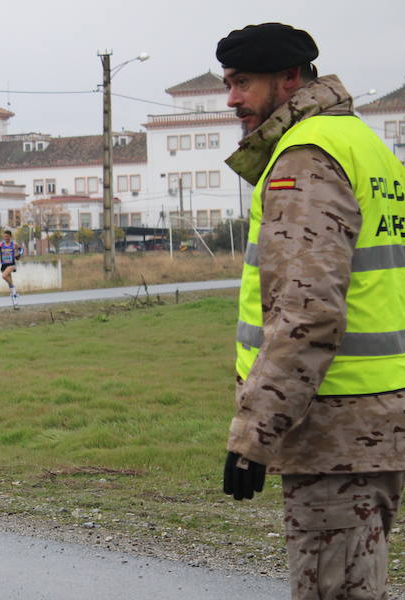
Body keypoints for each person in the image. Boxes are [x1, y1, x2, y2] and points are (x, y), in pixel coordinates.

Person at [217, 23, 405, 599]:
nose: (232, 99)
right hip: (376, 418)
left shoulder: (309, 156)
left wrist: (254, 432)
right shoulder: (366, 145)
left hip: (334, 430)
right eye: (227, 83)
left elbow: (307, 311)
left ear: (290, 79)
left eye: (244, 82)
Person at [0, 230, 23, 309]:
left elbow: (21, 250)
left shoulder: (14, 244)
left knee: (4, 276)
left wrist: (19, 254)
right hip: (4, 265)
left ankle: (14, 289)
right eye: (4, 236)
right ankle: (15, 303)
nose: (6, 238)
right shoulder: (1, 244)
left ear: (10, 236)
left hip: (11, 264)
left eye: (7, 236)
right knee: (10, 283)